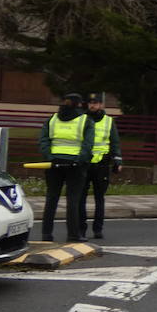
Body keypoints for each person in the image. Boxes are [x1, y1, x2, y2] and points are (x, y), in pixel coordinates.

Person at [36, 92, 95, 244]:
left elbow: (43, 141)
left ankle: (46, 234)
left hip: (54, 164)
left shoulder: (52, 119)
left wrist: (50, 158)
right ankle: (73, 235)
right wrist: (78, 160)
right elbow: (88, 145)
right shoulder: (85, 121)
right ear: (80, 104)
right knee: (73, 200)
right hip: (75, 165)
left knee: (51, 198)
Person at [81, 92, 123, 241]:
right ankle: (81, 229)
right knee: (81, 198)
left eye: (96, 102)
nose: (93, 105)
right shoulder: (81, 119)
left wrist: (117, 161)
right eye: (90, 102)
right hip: (84, 164)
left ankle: (98, 229)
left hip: (102, 164)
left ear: (101, 105)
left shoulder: (108, 121)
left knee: (100, 198)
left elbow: (115, 142)